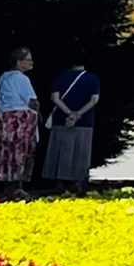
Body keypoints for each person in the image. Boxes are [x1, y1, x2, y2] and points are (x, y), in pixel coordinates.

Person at [41, 58, 102, 191]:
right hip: (85, 121)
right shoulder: (92, 78)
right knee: (81, 152)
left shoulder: (60, 76)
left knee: (60, 151)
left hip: (61, 119)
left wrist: (69, 113)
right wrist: (78, 114)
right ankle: (78, 182)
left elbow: (55, 98)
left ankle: (59, 183)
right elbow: (94, 100)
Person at [0, 47, 39, 194]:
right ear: (19, 62)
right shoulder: (22, 78)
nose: (31, 62)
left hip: (4, 118)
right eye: (28, 60)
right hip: (20, 120)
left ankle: (8, 185)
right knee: (20, 150)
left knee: (7, 151)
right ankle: (18, 186)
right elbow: (32, 101)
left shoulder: (3, 77)